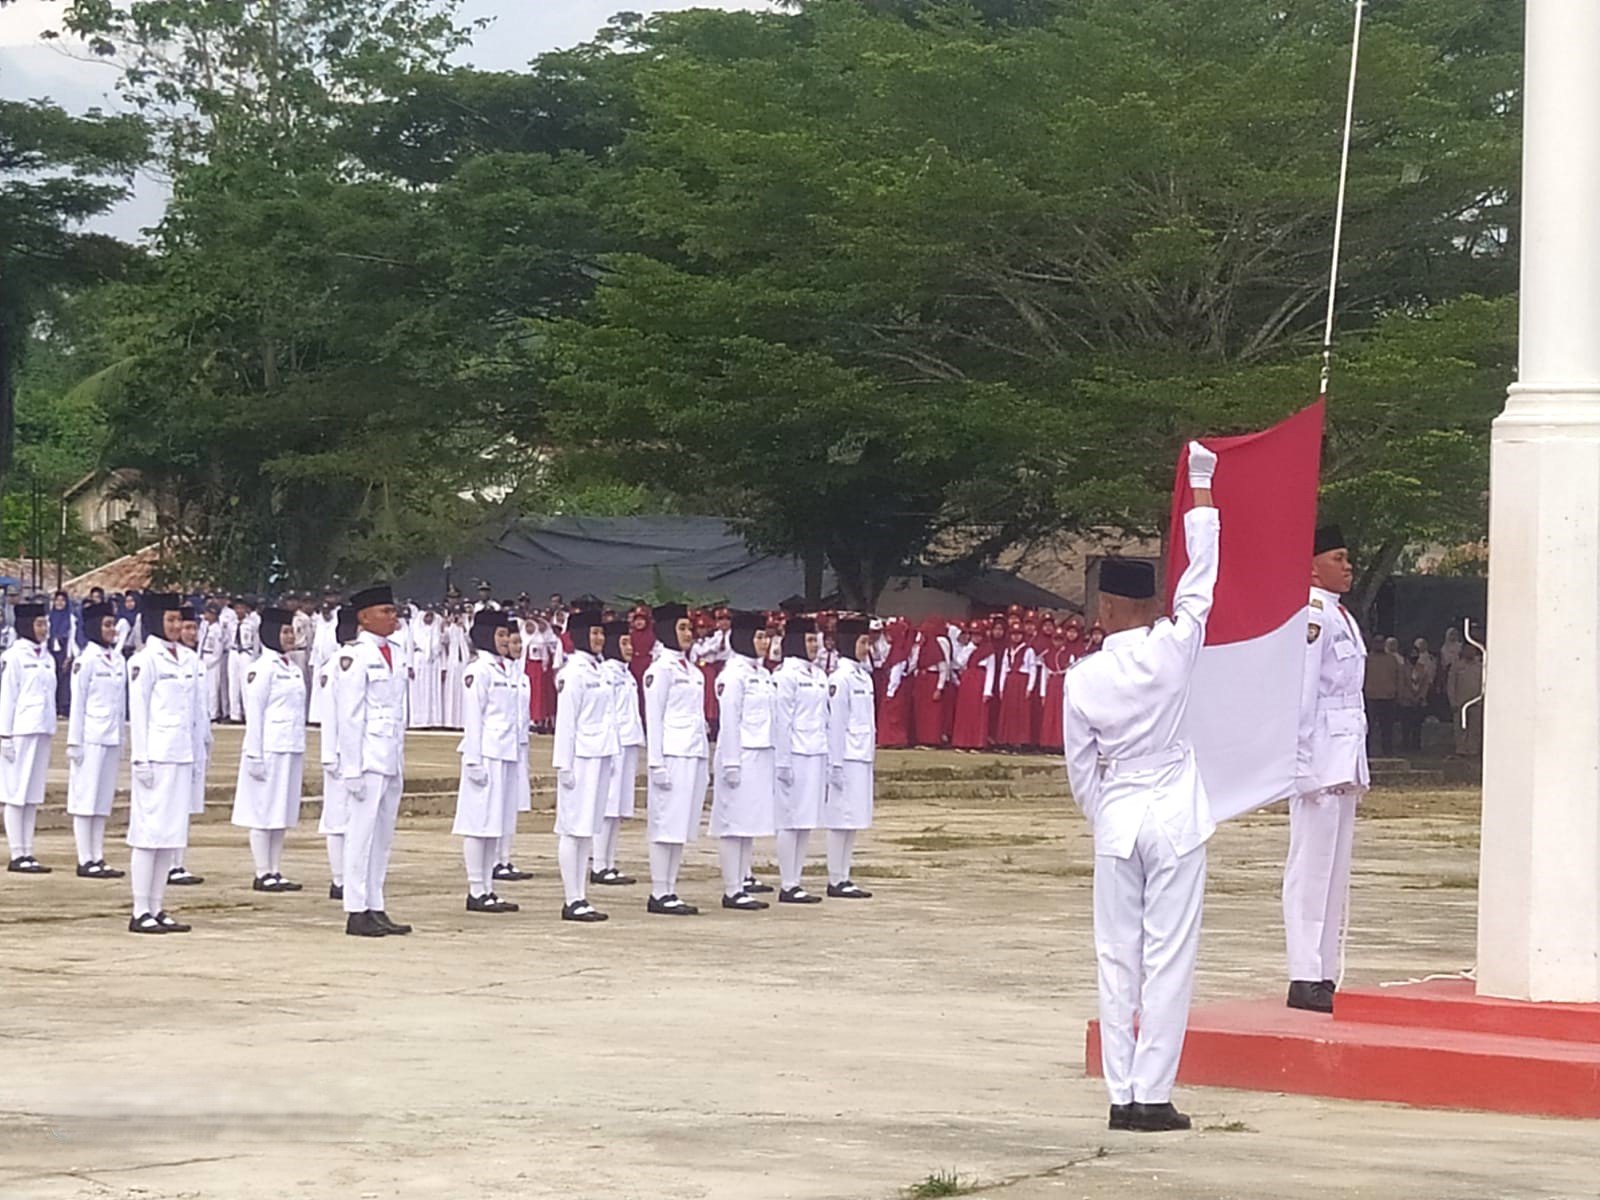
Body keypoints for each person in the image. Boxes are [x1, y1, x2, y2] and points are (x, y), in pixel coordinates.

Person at [1062, 440, 1219, 1134]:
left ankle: (1121, 1094)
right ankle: (1153, 1093)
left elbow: (1078, 768)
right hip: (1175, 811)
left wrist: (1105, 814)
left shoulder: (1082, 677)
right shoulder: (1172, 646)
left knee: (1115, 955)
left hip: (1120, 811)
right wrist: (1203, 492)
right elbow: (1203, 581)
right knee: (1168, 956)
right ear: (1146, 603)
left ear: (1104, 610)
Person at [1284, 525, 1369, 1013]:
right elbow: (1303, 691)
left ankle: (1322, 971)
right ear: (1312, 566)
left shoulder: (1340, 615)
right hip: (1317, 753)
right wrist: (1298, 760)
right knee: (1310, 868)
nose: (1348, 565)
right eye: (1339, 557)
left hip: (1342, 751)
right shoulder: (1312, 615)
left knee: (1334, 870)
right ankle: (1302, 972)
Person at [334, 584, 412, 938]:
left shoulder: (394, 651)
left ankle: (375, 903)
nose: (393, 617)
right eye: (386, 611)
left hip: (389, 754)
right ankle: (355, 908)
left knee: (382, 836)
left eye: (394, 611)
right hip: (366, 758)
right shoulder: (355, 656)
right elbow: (350, 716)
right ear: (364, 618)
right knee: (360, 835)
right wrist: (351, 767)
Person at [125, 593, 205, 933]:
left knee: (170, 837)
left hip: (180, 754)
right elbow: (139, 711)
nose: (175, 627)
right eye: (169, 621)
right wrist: (140, 757)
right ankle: (140, 908)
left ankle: (158, 906)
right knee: (148, 834)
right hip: (155, 756)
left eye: (178, 620)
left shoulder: (187, 659)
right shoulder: (145, 660)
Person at [231, 607, 308, 892]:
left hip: (290, 746)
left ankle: (276, 869)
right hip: (268, 748)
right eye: (285, 632)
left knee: (281, 812)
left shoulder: (292, 668)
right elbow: (256, 714)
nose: (290, 637)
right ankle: (262, 871)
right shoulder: (260, 669)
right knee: (263, 811)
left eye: (291, 631)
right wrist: (254, 755)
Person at [710, 611, 781, 911]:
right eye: (759, 637)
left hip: (761, 753)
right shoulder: (733, 675)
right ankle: (731, 888)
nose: (764, 643)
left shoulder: (762, 675)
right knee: (733, 823)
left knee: (748, 822)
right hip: (739, 754)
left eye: (765, 637)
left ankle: (742, 881)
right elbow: (729, 722)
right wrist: (731, 763)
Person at [454, 610, 523, 915]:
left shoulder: (503, 669)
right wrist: (472, 760)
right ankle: (475, 888)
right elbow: (473, 717)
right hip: (484, 754)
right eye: (500, 635)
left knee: (495, 823)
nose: (505, 640)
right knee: (477, 822)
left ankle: (488, 888)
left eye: (506, 635)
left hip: (505, 752)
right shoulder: (479, 670)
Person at [641, 603, 709, 915]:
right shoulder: (660, 671)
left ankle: (671, 887)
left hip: (692, 750)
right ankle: (659, 890)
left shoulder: (691, 670)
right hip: (671, 753)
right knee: (664, 823)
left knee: (680, 825)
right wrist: (655, 763)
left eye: (688, 628)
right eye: (681, 628)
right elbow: (653, 718)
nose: (688, 634)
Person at [551, 608, 615, 922]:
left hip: (600, 755)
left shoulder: (598, 670)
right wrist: (563, 765)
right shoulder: (573, 672)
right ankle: (571, 897)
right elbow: (566, 723)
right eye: (593, 633)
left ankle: (582, 895)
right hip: (579, 759)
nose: (599, 638)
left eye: (601, 633)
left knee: (587, 830)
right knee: (573, 830)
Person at [66, 600, 126, 880]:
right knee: (85, 798)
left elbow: (121, 704)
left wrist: (123, 737)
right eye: (106, 625)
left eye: (112, 624)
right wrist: (74, 742)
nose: (112, 630)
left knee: (102, 800)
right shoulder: (85, 660)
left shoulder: (117, 660)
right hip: (90, 737)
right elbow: (77, 704)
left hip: (111, 735)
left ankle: (98, 855)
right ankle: (84, 857)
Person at [774, 614, 828, 905]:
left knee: (806, 819)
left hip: (815, 751)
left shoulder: (818, 675)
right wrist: (782, 760)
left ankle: (797, 879)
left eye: (815, 640)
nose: (814, 646)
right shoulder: (786, 676)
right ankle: (787, 881)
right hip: (794, 753)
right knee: (789, 819)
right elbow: (782, 721)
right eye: (808, 640)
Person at [824, 616, 876, 899]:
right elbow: (836, 724)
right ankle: (835, 877)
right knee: (839, 818)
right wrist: (835, 764)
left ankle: (845, 875)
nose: (866, 648)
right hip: (845, 755)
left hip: (861, 753)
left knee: (853, 818)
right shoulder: (840, 679)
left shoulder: (863, 676)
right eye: (862, 642)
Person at [2, 601, 56, 873]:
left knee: (32, 795)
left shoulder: (46, 657)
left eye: (45, 623)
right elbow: (7, 697)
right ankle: (17, 852)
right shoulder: (14, 657)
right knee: (15, 792)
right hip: (20, 730)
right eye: (39, 624)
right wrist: (4, 735)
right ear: (25, 626)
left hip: (41, 728)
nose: (44, 629)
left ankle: (28, 850)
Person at [592, 618, 641, 888]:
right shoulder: (607, 673)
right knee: (608, 806)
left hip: (628, 741)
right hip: (615, 743)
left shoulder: (626, 672)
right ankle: (599, 863)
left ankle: (610, 862)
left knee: (619, 808)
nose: (630, 648)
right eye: (623, 643)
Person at [165, 606, 211, 888]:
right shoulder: (177, 662)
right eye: (186, 627)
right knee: (173, 805)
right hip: (173, 743)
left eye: (194, 628)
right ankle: (170, 863)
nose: (191, 633)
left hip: (194, 742)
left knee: (185, 807)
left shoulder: (195, 661)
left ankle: (178, 861)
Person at [317, 605, 359, 900]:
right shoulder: (337, 664)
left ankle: (352, 875)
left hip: (359, 752)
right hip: (340, 753)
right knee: (336, 817)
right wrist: (329, 753)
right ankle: (339, 878)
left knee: (354, 817)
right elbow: (329, 712)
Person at [493, 615, 534, 884]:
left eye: (520, 642)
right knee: (498, 805)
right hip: (501, 745)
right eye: (512, 641)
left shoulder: (522, 676)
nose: (516, 646)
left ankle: (506, 857)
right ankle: (496, 860)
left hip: (519, 745)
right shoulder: (499, 673)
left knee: (511, 806)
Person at [949, 620, 996, 752]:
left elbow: (991, 671)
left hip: (980, 680)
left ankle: (977, 743)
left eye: (979, 635)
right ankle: (962, 741)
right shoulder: (967, 648)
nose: (976, 638)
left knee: (978, 713)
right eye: (974, 635)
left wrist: (988, 690)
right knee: (965, 712)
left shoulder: (988, 650)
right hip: (967, 680)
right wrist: (970, 648)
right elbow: (959, 662)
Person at [994, 619, 1037, 751]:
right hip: (1010, 681)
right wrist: (1001, 687)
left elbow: (1032, 669)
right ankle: (1006, 739)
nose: (1016, 637)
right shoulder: (1008, 651)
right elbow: (1004, 669)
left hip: (1022, 681)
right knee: (1009, 712)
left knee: (1021, 712)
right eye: (1013, 634)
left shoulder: (1028, 651)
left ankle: (1020, 741)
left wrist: (1030, 687)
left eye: (1018, 634)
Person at [908, 616, 951, 748]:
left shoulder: (937, 648)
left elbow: (943, 669)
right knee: (921, 711)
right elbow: (913, 665)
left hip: (932, 680)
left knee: (932, 712)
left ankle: (932, 739)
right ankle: (921, 738)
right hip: (922, 680)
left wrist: (939, 688)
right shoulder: (921, 648)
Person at [1362, 632, 1402, 756]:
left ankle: (1388, 751)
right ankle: (1366, 751)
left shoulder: (1391, 659)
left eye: (1381, 642)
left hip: (1388, 697)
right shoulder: (1367, 659)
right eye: (1376, 642)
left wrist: (1398, 692)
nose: (1379, 645)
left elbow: (1398, 677)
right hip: (1371, 697)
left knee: (1387, 728)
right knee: (1369, 728)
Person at [1399, 637, 1436, 752]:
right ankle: (1405, 745)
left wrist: (1420, 696)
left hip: (1419, 701)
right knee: (1406, 725)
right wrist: (1409, 697)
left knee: (1417, 725)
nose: (1414, 656)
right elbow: (1402, 684)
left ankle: (1416, 745)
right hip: (1406, 702)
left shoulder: (1422, 668)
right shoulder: (1402, 668)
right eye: (1412, 654)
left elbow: (1425, 683)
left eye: (1416, 653)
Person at [1448, 644, 1484, 758]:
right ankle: (1461, 749)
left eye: (1472, 650)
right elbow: (1451, 685)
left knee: (1475, 728)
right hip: (1460, 703)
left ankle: (1473, 750)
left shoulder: (1480, 667)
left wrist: (1482, 700)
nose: (1470, 652)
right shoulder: (1457, 666)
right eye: (1468, 650)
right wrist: (1453, 701)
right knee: (1460, 727)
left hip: (1476, 702)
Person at [46, 589, 76, 717]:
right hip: (51, 651)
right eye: (57, 600)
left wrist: (69, 656)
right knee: (52, 679)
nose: (59, 603)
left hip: (64, 651)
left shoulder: (70, 618)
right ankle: (52, 707)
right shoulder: (49, 617)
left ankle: (63, 708)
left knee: (64, 680)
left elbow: (72, 637)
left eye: (62, 600)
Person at [199, 603, 228, 721]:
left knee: (213, 688)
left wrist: (211, 662)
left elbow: (218, 650)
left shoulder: (217, 630)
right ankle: (205, 711)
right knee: (204, 687)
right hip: (203, 656)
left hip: (213, 659)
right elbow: (200, 642)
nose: (206, 615)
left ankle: (213, 713)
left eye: (209, 613)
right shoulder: (205, 626)